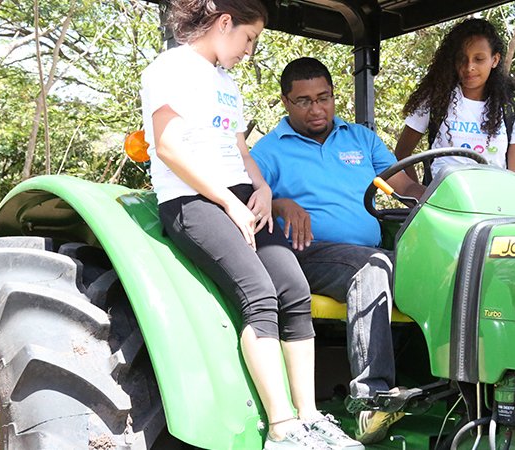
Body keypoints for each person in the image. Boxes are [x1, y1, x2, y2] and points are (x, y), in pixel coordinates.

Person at [140, 2, 359, 449]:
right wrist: (228, 201)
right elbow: (168, 149)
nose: (249, 50)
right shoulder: (170, 68)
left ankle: (311, 418)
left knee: (294, 290)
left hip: (240, 196)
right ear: (225, 24)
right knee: (258, 293)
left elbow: (240, 151)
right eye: (249, 39)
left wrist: (259, 189)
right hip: (193, 200)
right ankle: (282, 428)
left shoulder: (226, 83)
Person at [250, 58, 425, 445]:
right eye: (304, 101)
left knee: (447, 267)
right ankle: (370, 399)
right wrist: (280, 204)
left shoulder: (360, 139)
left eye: (324, 98)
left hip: (369, 250)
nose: (316, 109)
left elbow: (405, 187)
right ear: (285, 102)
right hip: (308, 254)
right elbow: (249, 196)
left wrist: (446, 196)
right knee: (372, 266)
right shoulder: (269, 149)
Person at [394, 18, 515, 182]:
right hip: (442, 203)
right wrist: (417, 197)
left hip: (494, 204)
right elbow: (402, 153)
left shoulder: (512, 102)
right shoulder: (437, 95)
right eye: (462, 58)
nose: (469, 67)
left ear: (495, 60)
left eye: (479, 59)